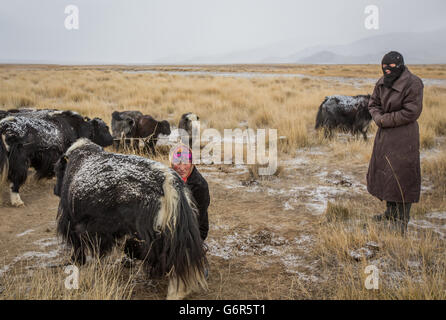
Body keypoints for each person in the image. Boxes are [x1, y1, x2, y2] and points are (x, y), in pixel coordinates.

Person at [367, 51, 424, 234]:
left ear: (400, 66)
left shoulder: (413, 83)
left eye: (391, 67)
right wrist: (378, 118)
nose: (387, 70)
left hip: (404, 136)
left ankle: (402, 219)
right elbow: (373, 104)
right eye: (384, 67)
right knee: (387, 174)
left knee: (403, 176)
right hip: (385, 137)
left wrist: (385, 120)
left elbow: (411, 112)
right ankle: (390, 212)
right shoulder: (382, 82)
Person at [170, 144, 210, 242]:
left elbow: (198, 219)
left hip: (193, 230)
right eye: (177, 163)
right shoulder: (169, 178)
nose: (182, 167)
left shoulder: (200, 186)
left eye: (186, 163)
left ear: (192, 163)